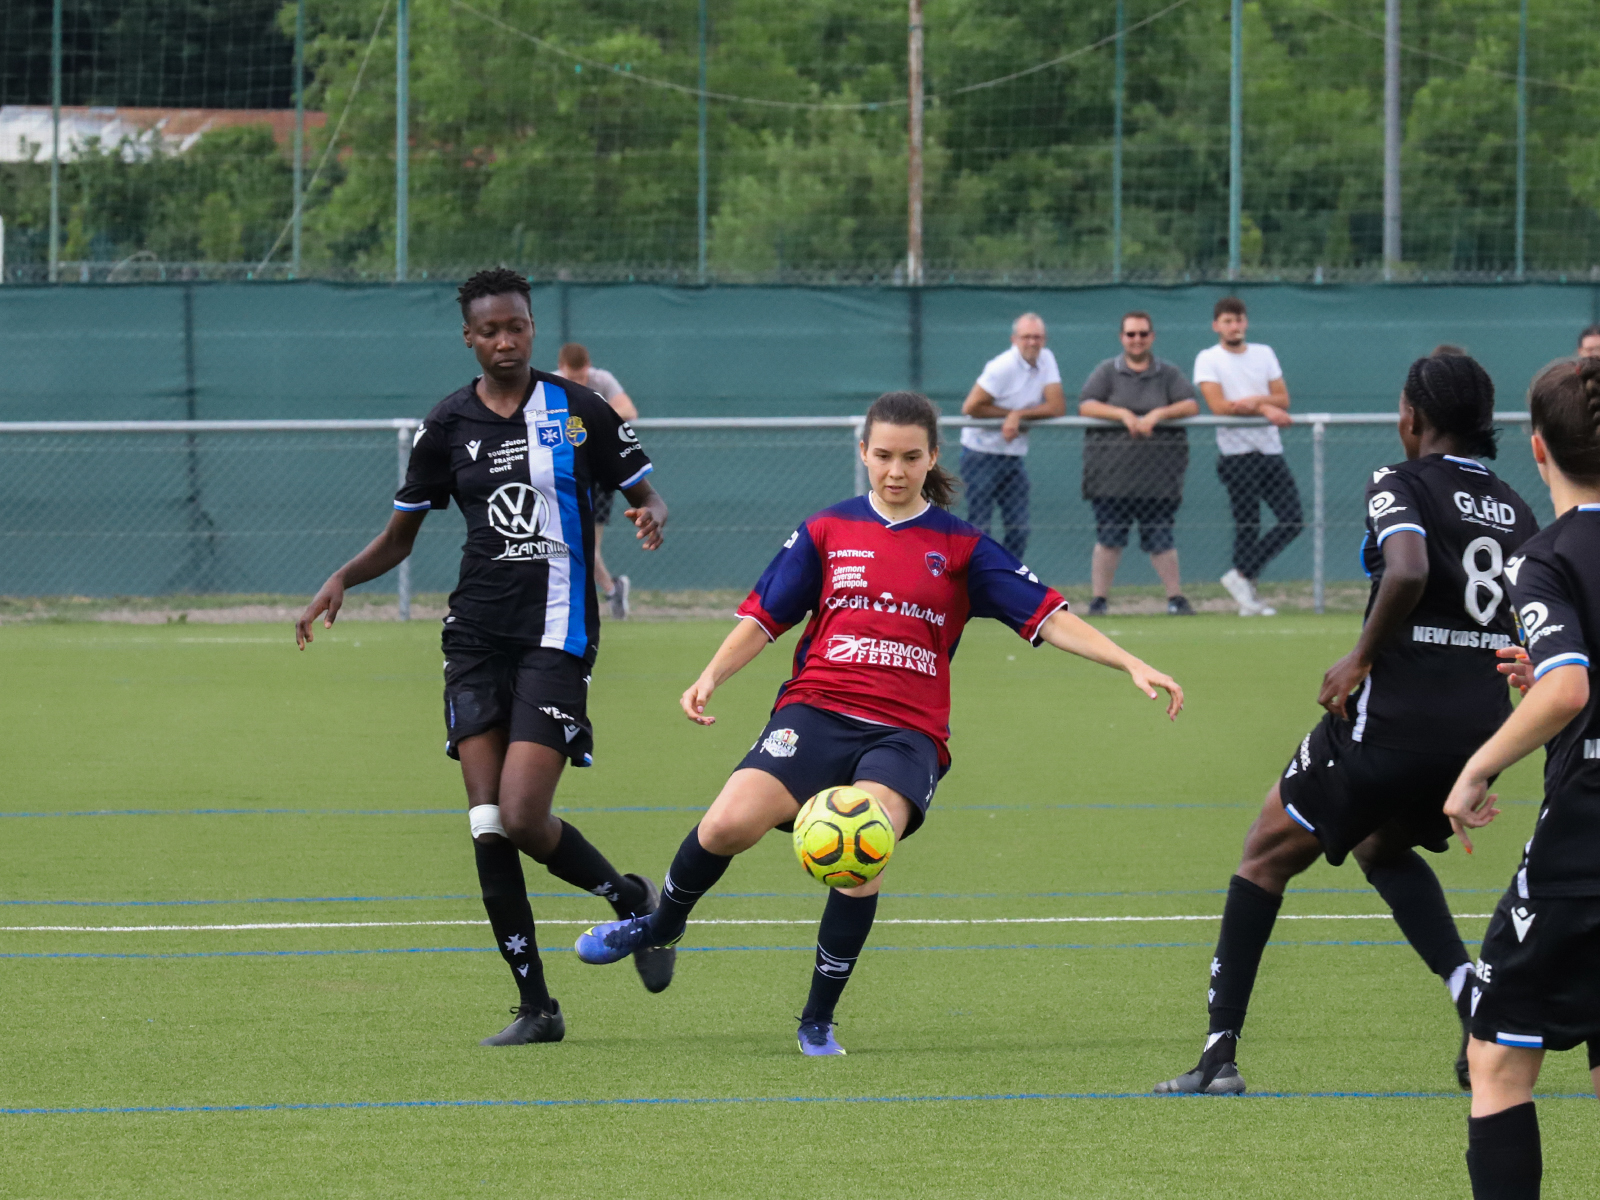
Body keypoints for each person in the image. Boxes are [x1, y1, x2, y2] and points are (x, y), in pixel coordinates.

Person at [570, 391, 1183, 1055]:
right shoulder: (827, 531)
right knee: (723, 825)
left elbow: (1050, 616)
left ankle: (817, 1019)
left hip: (906, 733)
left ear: (932, 458)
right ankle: (663, 923)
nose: (896, 469)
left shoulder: (962, 546)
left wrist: (1127, 661)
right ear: (863, 452)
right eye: (883, 455)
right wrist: (711, 675)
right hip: (815, 709)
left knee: (863, 851)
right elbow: (763, 617)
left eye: (910, 457)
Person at [294, 268, 674, 1047]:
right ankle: (537, 1006)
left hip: (556, 634)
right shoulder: (447, 425)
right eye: (490, 329)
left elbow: (643, 487)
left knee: (524, 812)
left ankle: (632, 900)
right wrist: (341, 577)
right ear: (468, 337)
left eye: (518, 326)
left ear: (533, 328)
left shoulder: (580, 410)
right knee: (486, 822)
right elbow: (401, 536)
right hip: (473, 637)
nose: (506, 340)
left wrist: (650, 511)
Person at [1154, 354, 1538, 1095]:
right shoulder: (1517, 509)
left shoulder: (1398, 481)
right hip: (1476, 740)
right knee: (1378, 842)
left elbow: (1409, 570)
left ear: (1415, 419)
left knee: (1265, 851)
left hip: (1386, 727)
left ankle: (1217, 1056)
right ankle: (1470, 992)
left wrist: (1360, 657)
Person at [1444, 357, 1600, 1200]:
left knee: (1498, 1058)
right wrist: (1546, 676)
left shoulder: (1547, 556)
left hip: (1585, 837)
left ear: (1537, 450)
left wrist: (1478, 766)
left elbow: (1572, 686)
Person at [1078, 311, 1200, 617]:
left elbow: (1190, 404)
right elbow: (1086, 404)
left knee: (1161, 540)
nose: (1137, 339)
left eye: (1143, 333)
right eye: (1131, 334)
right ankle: (1099, 600)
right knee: (1109, 540)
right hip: (1111, 477)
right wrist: (1123, 414)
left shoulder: (1168, 373)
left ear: (1152, 336)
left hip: (1158, 478)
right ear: (1122, 337)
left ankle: (1176, 598)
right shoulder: (1106, 371)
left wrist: (1158, 414)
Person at [1194, 297, 1302, 616]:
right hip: (1236, 454)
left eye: (1238, 320)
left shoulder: (1264, 353)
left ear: (1246, 322)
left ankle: (1240, 575)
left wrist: (1257, 401)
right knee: (1248, 524)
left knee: (1292, 519)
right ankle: (1247, 598)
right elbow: (1220, 406)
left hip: (1270, 450)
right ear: (1216, 326)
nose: (1234, 326)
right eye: (1227, 321)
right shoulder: (1208, 358)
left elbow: (1283, 398)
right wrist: (1265, 406)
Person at [958, 313, 1067, 559]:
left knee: (1019, 529)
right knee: (980, 528)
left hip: (1013, 455)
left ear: (1044, 339)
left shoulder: (1046, 359)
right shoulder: (1002, 366)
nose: (1032, 342)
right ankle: (978, 584)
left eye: (1037, 337)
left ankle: (1007, 583)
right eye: (1026, 337)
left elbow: (1057, 406)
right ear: (1014, 339)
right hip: (980, 454)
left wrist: (1018, 416)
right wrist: (1010, 416)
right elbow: (971, 406)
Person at [555, 342, 639, 621]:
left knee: (586, 544)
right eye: (572, 378)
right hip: (568, 474)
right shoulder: (551, 385)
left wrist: (590, 416)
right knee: (570, 543)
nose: (578, 384)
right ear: (562, 369)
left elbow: (628, 411)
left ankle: (608, 591)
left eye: (582, 377)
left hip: (600, 475)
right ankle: (611, 589)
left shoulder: (602, 381)